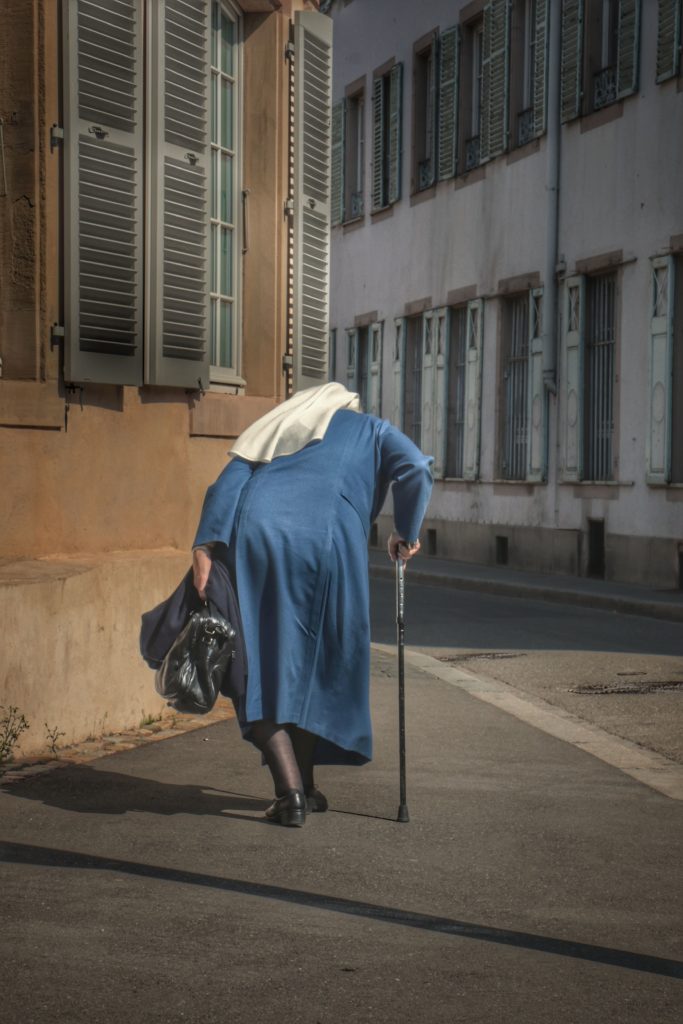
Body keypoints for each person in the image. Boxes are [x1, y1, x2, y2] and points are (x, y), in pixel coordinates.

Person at [191, 382, 433, 827]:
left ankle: (296, 789)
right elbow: (415, 466)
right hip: (329, 543)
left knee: (259, 661)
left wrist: (204, 546)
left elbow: (229, 481)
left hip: (256, 536)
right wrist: (406, 531)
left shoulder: (279, 427)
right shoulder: (371, 429)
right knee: (314, 662)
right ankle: (295, 791)